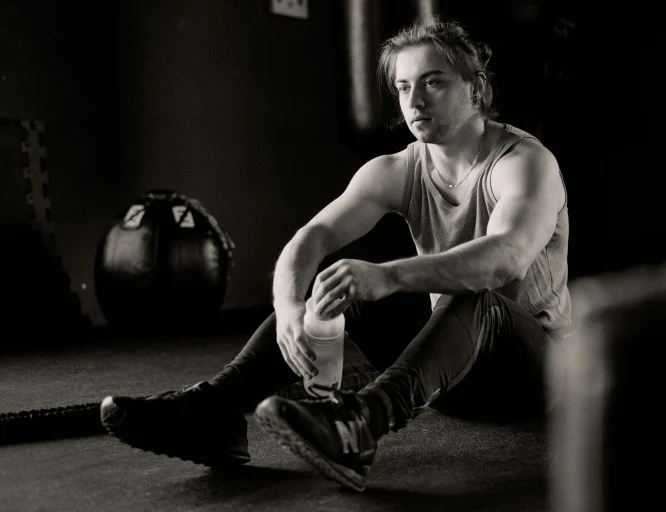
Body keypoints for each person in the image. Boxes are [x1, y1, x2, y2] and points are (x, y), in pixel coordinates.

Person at [99, 17, 571, 492]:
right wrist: (289, 311)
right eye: (404, 86)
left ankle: (360, 426)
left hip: (538, 378)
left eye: (433, 82)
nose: (414, 100)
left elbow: (506, 257)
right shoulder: (398, 169)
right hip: (452, 377)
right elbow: (312, 237)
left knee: (474, 292)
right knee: (340, 284)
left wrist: (386, 275)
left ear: (476, 88)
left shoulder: (523, 162)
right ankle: (213, 411)